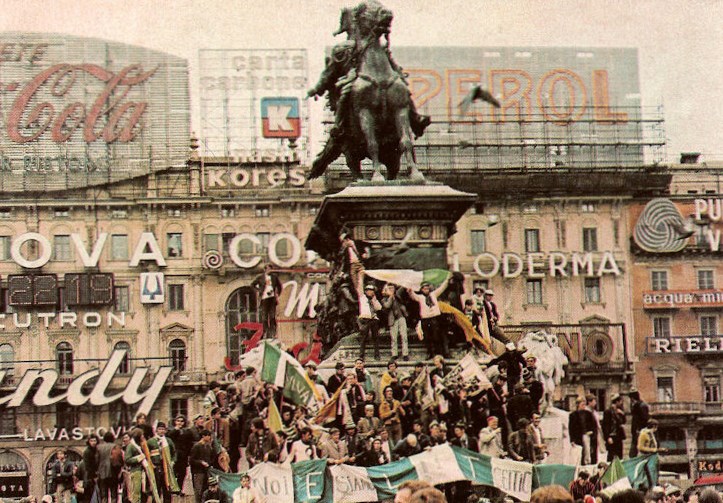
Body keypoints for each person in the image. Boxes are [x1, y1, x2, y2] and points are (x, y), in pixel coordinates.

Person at [405, 277, 451, 358]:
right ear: (422, 289)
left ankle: (439, 353)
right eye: (424, 289)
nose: (426, 290)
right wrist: (409, 291)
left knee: (437, 336)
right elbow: (413, 296)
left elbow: (442, 288)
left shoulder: (434, 294)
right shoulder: (420, 297)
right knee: (428, 337)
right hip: (425, 319)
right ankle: (430, 353)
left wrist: (447, 280)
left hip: (435, 318)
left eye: (427, 288)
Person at [147, 422, 179, 503]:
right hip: (156, 467)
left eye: (163, 429)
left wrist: (173, 461)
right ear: (156, 430)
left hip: (167, 468)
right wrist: (151, 465)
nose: (161, 431)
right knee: (156, 488)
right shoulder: (151, 441)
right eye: (160, 429)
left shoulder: (168, 441)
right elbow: (147, 455)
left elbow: (174, 452)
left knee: (167, 488)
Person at [252, 263, 282, 339]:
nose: (269, 270)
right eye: (268, 269)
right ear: (265, 270)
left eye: (270, 269)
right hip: (264, 298)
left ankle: (273, 332)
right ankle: (265, 332)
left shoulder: (274, 277)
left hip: (272, 298)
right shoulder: (260, 277)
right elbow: (252, 285)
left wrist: (278, 294)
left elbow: (279, 286)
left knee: (272, 316)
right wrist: (259, 290)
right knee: (264, 316)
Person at [382, 283, 410, 360]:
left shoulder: (398, 296)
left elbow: (403, 287)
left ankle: (405, 354)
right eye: (389, 288)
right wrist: (391, 296)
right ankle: (394, 354)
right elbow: (387, 305)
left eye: (392, 288)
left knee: (404, 336)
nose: (391, 290)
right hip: (392, 320)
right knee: (394, 338)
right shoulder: (384, 299)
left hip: (401, 317)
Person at [168, 415, 193, 494]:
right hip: (174, 455)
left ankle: (179, 489)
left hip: (183, 456)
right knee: (173, 472)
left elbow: (189, 444)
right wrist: (176, 429)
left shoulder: (187, 432)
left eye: (182, 421)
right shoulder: (171, 431)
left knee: (182, 473)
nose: (180, 423)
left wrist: (188, 455)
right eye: (178, 421)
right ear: (175, 422)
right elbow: (169, 437)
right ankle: (172, 488)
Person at [358, 283, 382, 360]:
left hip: (374, 319)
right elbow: (359, 288)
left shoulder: (374, 300)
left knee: (375, 337)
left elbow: (379, 308)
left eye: (372, 290)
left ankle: (377, 354)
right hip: (366, 319)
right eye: (369, 290)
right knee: (364, 337)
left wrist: (374, 300)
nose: (371, 292)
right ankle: (361, 355)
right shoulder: (363, 298)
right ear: (366, 291)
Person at [189, 430, 214, 503]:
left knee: (205, 489)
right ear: (203, 436)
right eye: (208, 436)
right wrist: (201, 462)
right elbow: (191, 460)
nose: (209, 437)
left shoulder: (208, 446)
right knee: (198, 490)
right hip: (198, 471)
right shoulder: (197, 446)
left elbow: (211, 457)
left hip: (206, 471)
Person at [569, 396, 595, 465]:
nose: (584, 406)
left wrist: (591, 432)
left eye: (584, 404)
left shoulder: (588, 414)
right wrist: (572, 440)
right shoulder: (573, 415)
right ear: (578, 405)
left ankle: (587, 462)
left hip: (586, 434)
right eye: (582, 404)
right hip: (578, 435)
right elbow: (571, 428)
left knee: (587, 450)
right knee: (579, 451)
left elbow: (592, 425)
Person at [602, 393, 626, 461]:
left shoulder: (619, 411)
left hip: (618, 436)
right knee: (611, 455)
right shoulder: (608, 412)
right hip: (611, 436)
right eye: (620, 401)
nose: (621, 403)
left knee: (619, 455)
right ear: (617, 402)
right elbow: (605, 425)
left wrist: (622, 414)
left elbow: (623, 422)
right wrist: (607, 437)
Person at [629, 389, 650, 457]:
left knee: (636, 451)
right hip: (638, 431)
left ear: (632, 398)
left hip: (639, 431)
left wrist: (639, 429)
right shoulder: (640, 405)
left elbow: (644, 419)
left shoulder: (640, 406)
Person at [82, 434, 100, 503]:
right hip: (89, 478)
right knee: (89, 497)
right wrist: (94, 476)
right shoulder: (87, 452)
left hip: (96, 476)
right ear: (88, 442)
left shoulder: (97, 450)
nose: (93, 442)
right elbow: (88, 466)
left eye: (94, 441)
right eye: (91, 441)